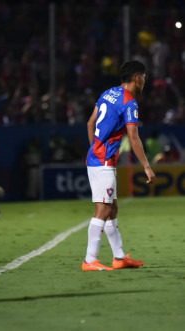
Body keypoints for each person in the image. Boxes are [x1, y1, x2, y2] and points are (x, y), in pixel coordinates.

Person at [82, 60, 156, 271]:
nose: (144, 82)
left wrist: (95, 149)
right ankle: (89, 260)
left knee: (112, 208)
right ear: (137, 78)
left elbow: (90, 123)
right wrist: (147, 166)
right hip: (103, 161)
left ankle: (119, 258)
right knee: (103, 209)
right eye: (144, 78)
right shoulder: (129, 102)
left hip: (97, 158)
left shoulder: (108, 93)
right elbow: (133, 137)